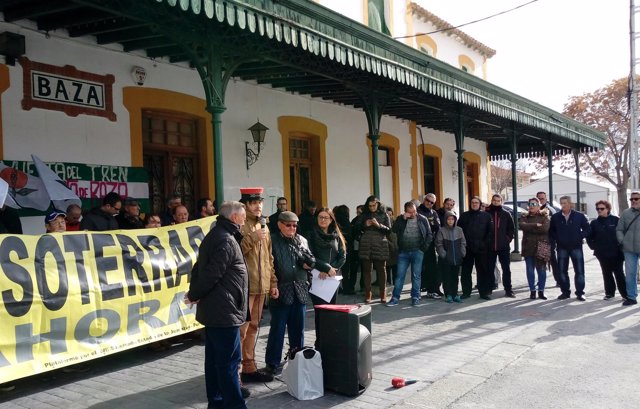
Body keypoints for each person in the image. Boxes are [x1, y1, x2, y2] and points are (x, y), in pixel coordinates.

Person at [186, 201, 249, 409]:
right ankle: (234, 405)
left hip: (216, 310)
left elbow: (198, 269)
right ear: (233, 218)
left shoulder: (215, 235)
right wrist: (194, 293)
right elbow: (212, 274)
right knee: (228, 364)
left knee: (214, 363)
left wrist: (194, 293)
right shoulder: (226, 240)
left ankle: (217, 403)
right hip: (225, 311)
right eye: (243, 215)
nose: (245, 219)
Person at [265, 211, 315, 375]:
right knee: (277, 329)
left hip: (299, 289)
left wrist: (309, 264)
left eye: (294, 225)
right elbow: (268, 266)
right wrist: (272, 285)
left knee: (298, 329)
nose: (292, 228)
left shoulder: (301, 240)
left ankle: (297, 358)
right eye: (288, 225)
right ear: (280, 224)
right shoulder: (271, 240)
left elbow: (311, 260)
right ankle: (272, 363)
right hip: (280, 290)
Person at [238, 187, 278, 384]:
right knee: (241, 330)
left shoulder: (264, 225)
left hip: (261, 285)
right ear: (245, 204)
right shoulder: (240, 224)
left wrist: (273, 282)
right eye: (254, 203)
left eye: (260, 202)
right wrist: (254, 237)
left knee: (254, 327)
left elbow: (269, 257)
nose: (258, 206)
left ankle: (249, 367)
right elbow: (236, 251)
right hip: (246, 286)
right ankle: (235, 372)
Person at [387, 201, 432, 307]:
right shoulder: (400, 219)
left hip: (418, 251)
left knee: (416, 276)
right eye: (410, 212)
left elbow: (429, 234)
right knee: (400, 276)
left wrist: (423, 248)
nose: (412, 214)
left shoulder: (422, 219)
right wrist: (403, 219)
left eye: (414, 211)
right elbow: (393, 230)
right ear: (405, 211)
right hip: (403, 252)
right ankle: (395, 298)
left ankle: (415, 297)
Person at [549, 195, 590, 301]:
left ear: (570, 204)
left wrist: (580, 236)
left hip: (576, 246)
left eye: (565, 203)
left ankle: (580, 293)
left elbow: (587, 229)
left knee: (579, 271)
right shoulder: (556, 217)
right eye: (561, 203)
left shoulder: (579, 216)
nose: (563, 205)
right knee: (562, 271)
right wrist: (558, 238)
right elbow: (551, 231)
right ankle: (565, 292)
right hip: (562, 247)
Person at [309, 207, 346, 316]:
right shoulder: (311, 234)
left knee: (331, 310)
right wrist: (325, 268)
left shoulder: (336, 235)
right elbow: (309, 255)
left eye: (326, 217)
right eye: (320, 217)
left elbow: (342, 255)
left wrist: (331, 269)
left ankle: (330, 333)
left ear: (331, 220)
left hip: (333, 278)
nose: (323, 220)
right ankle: (320, 333)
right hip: (317, 276)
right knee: (320, 311)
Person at [587, 200, 627, 301]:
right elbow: (589, 237)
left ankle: (625, 294)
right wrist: (594, 246)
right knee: (606, 273)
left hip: (616, 252)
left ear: (608, 209)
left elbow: (623, 233)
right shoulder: (594, 223)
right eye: (597, 209)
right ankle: (609, 293)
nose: (599, 210)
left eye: (602, 208)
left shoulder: (616, 220)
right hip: (602, 253)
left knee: (619, 273)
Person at [355, 195, 392, 304]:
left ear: (378, 204)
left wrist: (378, 225)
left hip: (380, 244)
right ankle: (368, 294)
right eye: (370, 206)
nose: (372, 207)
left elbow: (389, 230)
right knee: (367, 271)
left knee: (381, 269)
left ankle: (382, 294)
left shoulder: (384, 214)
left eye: (374, 205)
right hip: (366, 244)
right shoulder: (363, 215)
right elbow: (356, 228)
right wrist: (364, 225)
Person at [457, 196, 493, 300]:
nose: (474, 204)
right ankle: (466, 292)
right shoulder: (464, 216)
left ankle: (483, 293)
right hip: (467, 248)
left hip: (481, 248)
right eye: (472, 202)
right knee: (466, 271)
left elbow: (490, 232)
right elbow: (459, 231)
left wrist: (485, 244)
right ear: (470, 204)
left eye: (476, 202)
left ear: (480, 204)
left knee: (482, 271)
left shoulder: (486, 216)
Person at [519, 198, 550, 300]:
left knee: (541, 270)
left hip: (542, 246)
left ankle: (541, 291)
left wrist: (530, 228)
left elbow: (545, 229)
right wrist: (536, 225)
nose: (531, 206)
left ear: (539, 205)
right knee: (530, 270)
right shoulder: (525, 216)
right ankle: (532, 291)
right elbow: (522, 226)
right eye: (530, 204)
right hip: (528, 246)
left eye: (534, 204)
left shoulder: (544, 216)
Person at [486, 194, 516, 298]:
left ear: (501, 202)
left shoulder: (506, 214)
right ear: (492, 200)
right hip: (490, 246)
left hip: (503, 246)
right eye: (494, 200)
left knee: (506, 269)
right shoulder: (486, 213)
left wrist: (507, 239)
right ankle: (489, 288)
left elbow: (511, 229)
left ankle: (508, 289)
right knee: (489, 268)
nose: (496, 202)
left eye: (498, 201)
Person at [435, 212, 466, 303]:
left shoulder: (459, 230)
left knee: (455, 277)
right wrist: (443, 254)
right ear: (445, 220)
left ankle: (455, 294)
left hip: (456, 257)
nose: (450, 221)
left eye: (452, 219)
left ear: (455, 220)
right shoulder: (442, 230)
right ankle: (448, 294)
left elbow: (463, 242)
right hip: (446, 259)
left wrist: (462, 253)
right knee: (446, 277)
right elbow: (439, 244)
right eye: (448, 219)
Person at [617, 191, 640, 306]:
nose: (634, 201)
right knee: (630, 273)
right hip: (629, 249)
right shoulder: (626, 213)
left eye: (636, 199)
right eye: (632, 199)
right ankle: (631, 297)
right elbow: (619, 229)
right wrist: (622, 241)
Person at [417, 193, 442, 298]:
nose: (429, 203)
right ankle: (416, 291)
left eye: (432, 202)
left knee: (432, 268)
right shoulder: (417, 211)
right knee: (418, 269)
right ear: (424, 199)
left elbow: (438, 227)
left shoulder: (434, 213)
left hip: (430, 244)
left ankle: (432, 290)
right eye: (427, 200)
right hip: (418, 244)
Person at [537, 191, 559, 287]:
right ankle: (541, 280)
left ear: (546, 199)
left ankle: (558, 280)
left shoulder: (550, 210)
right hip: (538, 239)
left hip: (549, 239)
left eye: (543, 198)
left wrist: (553, 239)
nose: (541, 200)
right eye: (539, 198)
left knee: (553, 260)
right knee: (540, 261)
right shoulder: (534, 210)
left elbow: (555, 226)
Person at [333, 204, 354, 294]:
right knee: (345, 270)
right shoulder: (345, 221)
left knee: (336, 269)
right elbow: (349, 235)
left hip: (335, 248)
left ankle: (337, 288)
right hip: (345, 248)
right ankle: (346, 288)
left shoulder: (334, 221)